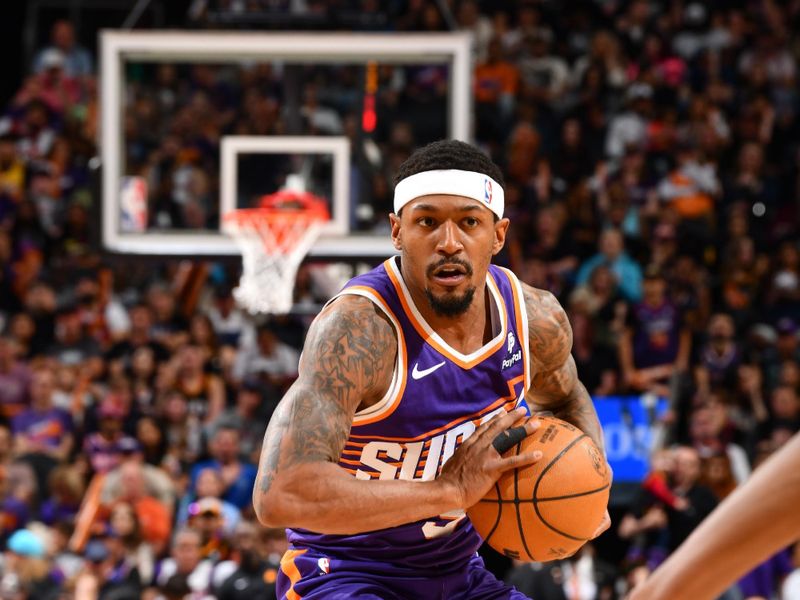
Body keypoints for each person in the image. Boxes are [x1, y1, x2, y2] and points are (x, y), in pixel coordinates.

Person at [253, 140, 610, 599]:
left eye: (469, 223)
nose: (448, 242)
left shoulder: (535, 319)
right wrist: (448, 490)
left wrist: (594, 484)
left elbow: (566, 395)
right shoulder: (359, 331)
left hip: (459, 575)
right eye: (427, 222)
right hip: (343, 573)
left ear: (498, 235)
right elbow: (282, 494)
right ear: (397, 231)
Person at [628, 431, 800, 600]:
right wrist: (646, 522)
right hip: (663, 559)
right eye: (679, 463)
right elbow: (625, 528)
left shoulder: (703, 495)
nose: (682, 469)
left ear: (697, 469)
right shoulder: (654, 491)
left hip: (694, 563)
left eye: (689, 464)